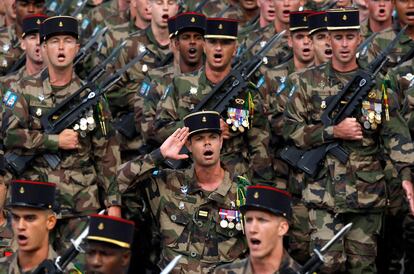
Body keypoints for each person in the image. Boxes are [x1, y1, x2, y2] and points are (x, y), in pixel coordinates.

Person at [283, 8, 414, 273]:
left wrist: (407, 175)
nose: (344, 44)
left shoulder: (376, 86)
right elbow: (290, 130)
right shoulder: (306, 83)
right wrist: (333, 132)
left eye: (350, 37)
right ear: (328, 40)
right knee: (326, 267)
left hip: (366, 197)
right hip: (322, 197)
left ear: (359, 38)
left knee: (363, 268)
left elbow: (395, 134)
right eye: (338, 37)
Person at [2, 15, 121, 256]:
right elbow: (9, 136)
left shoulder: (91, 97)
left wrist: (114, 204)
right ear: (44, 48)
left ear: (77, 48)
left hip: (79, 203)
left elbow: (107, 153)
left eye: (68, 41)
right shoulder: (21, 90)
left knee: (78, 268)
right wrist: (53, 141)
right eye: (54, 41)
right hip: (34, 202)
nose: (61, 48)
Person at [118, 111, 249, 273]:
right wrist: (158, 155)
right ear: (188, 145)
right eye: (199, 139)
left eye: (213, 137)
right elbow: (115, 185)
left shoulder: (243, 193)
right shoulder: (168, 184)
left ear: (221, 141)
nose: (207, 143)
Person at [155, 17, 274, 185]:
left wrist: (259, 188)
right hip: (185, 176)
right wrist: (200, 127)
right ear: (204, 46)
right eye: (212, 42)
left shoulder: (248, 93)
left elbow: (259, 144)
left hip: (233, 178)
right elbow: (160, 129)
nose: (218, 48)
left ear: (235, 49)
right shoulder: (181, 84)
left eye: (225, 43)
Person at [139, 11, 206, 148]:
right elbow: (147, 129)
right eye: (186, 37)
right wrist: (198, 125)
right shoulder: (157, 79)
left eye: (198, 37)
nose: (192, 42)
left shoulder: (214, 79)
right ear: (175, 44)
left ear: (205, 43)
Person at [215, 185, 301, 274]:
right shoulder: (224, 272)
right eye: (248, 220)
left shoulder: (299, 272)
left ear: (282, 228)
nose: (252, 229)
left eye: (262, 220)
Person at [0, 180, 79, 273]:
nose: (20, 226)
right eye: (16, 217)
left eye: (30, 218)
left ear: (50, 222)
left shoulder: (65, 270)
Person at [0, 13, 47, 86]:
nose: (38, 42)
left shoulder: (61, 83)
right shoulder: (5, 84)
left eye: (43, 37)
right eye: (32, 37)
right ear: (23, 44)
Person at [0, 0, 45, 76]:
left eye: (38, 6)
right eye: (24, 5)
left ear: (44, 9)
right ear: (14, 7)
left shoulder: (51, 42)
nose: (31, 10)